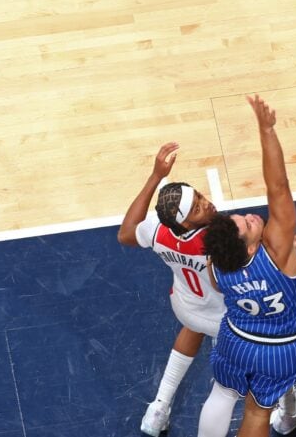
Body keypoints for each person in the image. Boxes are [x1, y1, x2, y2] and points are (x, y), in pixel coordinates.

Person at [197, 95, 296, 437]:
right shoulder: (276, 250)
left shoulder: (217, 266)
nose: (251, 217)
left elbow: (236, 270)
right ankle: (288, 415)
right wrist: (267, 129)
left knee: (222, 393)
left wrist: (286, 251)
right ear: (251, 246)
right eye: (247, 225)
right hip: (280, 350)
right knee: (256, 412)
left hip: (235, 339)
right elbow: (278, 186)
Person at [117, 142, 225, 436]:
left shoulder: (157, 229)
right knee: (268, 349)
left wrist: (155, 176)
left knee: (193, 328)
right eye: (197, 209)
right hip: (223, 317)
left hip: (187, 306)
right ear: (186, 223)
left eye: (199, 196)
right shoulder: (220, 238)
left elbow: (126, 234)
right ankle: (288, 407)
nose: (206, 204)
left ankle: (159, 408)